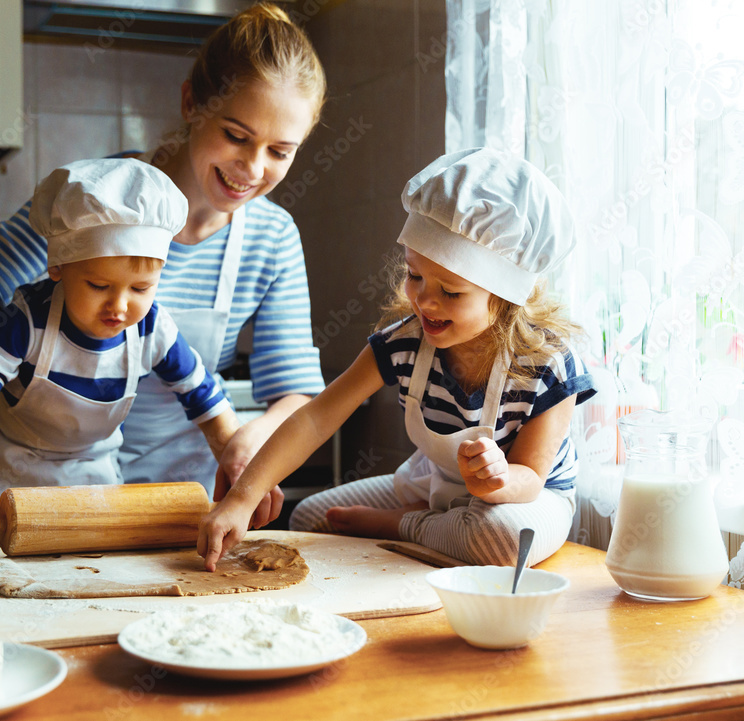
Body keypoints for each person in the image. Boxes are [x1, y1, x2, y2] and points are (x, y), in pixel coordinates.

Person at [0, 2, 327, 541]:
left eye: (280, 151)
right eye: (237, 135)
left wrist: (247, 438)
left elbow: (293, 393)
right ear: (191, 101)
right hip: (51, 509)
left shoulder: (272, 237)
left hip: (179, 516)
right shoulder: (91, 205)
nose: (253, 168)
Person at [197, 148, 597, 571]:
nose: (425, 300)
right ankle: (433, 522)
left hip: (528, 501)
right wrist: (243, 498)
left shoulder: (549, 363)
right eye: (415, 275)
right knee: (309, 519)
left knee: (498, 541)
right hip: (439, 486)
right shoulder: (404, 342)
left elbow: (532, 478)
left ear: (505, 297)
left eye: (451, 291)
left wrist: (498, 479)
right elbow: (317, 418)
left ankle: (402, 525)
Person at [0, 159, 240, 539]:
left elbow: (204, 398)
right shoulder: (25, 320)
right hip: (9, 477)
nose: (119, 306)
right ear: (58, 267)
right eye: (99, 286)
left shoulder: (152, 328)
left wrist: (239, 466)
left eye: (140, 289)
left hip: (96, 482)